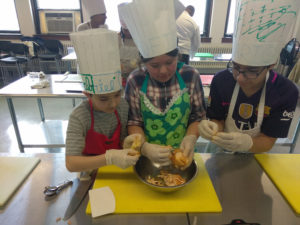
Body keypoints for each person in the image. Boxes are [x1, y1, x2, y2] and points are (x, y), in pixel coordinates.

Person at [198, 0, 299, 154]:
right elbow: (218, 119)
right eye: (236, 67)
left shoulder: (286, 91)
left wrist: (247, 143)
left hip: (257, 155)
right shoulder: (221, 80)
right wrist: (212, 128)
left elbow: (268, 140)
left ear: (271, 65)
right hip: (220, 152)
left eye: (251, 71)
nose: (239, 78)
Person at [119, 0, 206, 169]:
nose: (164, 71)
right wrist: (144, 147)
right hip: (146, 159)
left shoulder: (190, 76)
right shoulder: (135, 80)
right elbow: (133, 122)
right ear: (143, 63)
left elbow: (198, 117)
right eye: (155, 66)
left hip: (183, 156)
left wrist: (190, 138)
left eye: (170, 62)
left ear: (178, 56)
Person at [66, 28, 140, 172]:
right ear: (88, 94)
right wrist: (109, 158)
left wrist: (128, 143)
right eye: (104, 99)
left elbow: (122, 141)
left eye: (117, 95)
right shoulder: (80, 116)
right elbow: (71, 164)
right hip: (90, 173)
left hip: (118, 170)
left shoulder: (123, 106)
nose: (113, 104)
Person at [117, 3, 140, 87]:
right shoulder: (116, 39)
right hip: (121, 79)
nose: (128, 33)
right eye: (126, 30)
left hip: (137, 78)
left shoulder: (141, 40)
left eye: (130, 30)